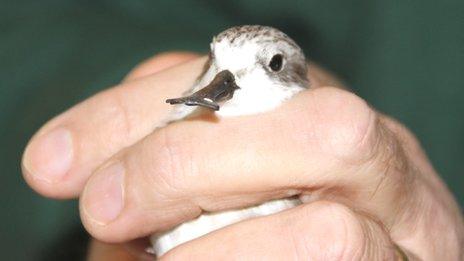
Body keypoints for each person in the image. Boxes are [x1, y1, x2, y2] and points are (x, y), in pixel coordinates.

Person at [22, 51, 463, 260]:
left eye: (270, 65)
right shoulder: (173, 153)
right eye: (220, 62)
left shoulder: (326, 191)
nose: (225, 80)